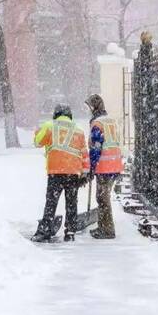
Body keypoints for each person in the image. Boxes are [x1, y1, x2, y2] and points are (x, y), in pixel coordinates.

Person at [32, 104, 90, 242]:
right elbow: (84, 154)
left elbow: (37, 142)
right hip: (73, 172)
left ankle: (45, 230)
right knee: (71, 203)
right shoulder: (79, 131)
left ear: (55, 114)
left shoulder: (49, 126)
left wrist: (37, 132)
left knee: (51, 202)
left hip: (55, 171)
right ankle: (70, 232)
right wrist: (85, 173)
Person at [85, 94, 123, 239]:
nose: (88, 110)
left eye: (89, 106)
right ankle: (104, 226)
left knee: (102, 198)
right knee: (103, 197)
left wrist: (92, 166)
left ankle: (107, 230)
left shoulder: (98, 124)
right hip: (115, 164)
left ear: (94, 107)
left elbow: (96, 147)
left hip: (105, 166)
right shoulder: (110, 121)